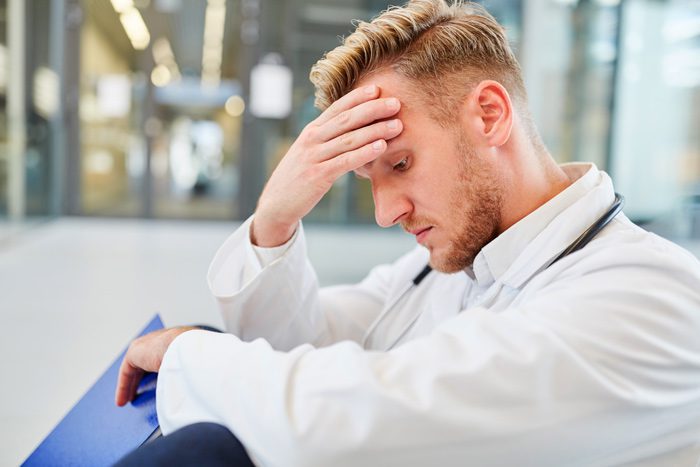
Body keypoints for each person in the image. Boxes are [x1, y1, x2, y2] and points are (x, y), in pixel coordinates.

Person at [115, 1, 700, 465]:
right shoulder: (460, 260)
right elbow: (304, 347)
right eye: (368, 179)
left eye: (399, 164)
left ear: (490, 115)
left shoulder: (647, 295)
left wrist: (191, 355)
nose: (385, 213)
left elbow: (338, 435)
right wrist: (275, 219)